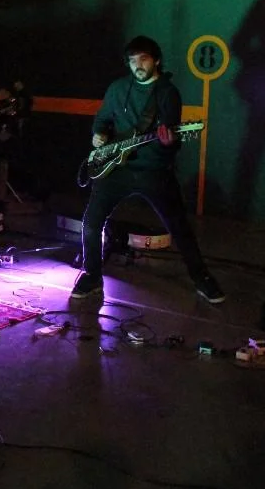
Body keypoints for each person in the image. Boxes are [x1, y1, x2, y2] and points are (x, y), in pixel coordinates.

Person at [72, 35, 225, 304]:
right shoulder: (118, 88)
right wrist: (98, 134)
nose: (137, 65)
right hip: (115, 169)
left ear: (156, 61)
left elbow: (170, 144)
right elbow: (102, 119)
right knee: (91, 223)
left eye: (143, 59)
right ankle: (92, 275)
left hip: (153, 171)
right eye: (132, 60)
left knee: (179, 227)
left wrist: (168, 143)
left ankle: (201, 277)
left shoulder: (167, 93)